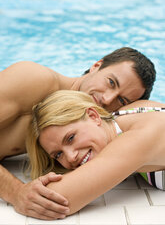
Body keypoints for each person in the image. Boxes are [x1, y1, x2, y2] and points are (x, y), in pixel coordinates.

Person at [0, 47, 156, 220]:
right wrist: (14, 191)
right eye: (111, 82)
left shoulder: (92, 127)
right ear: (96, 66)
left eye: (121, 100)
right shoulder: (34, 79)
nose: (107, 99)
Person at [26, 90, 165, 218]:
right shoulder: (125, 113)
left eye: (70, 138)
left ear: (93, 116)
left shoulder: (140, 137)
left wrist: (17, 192)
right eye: (58, 155)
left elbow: (58, 198)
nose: (70, 157)